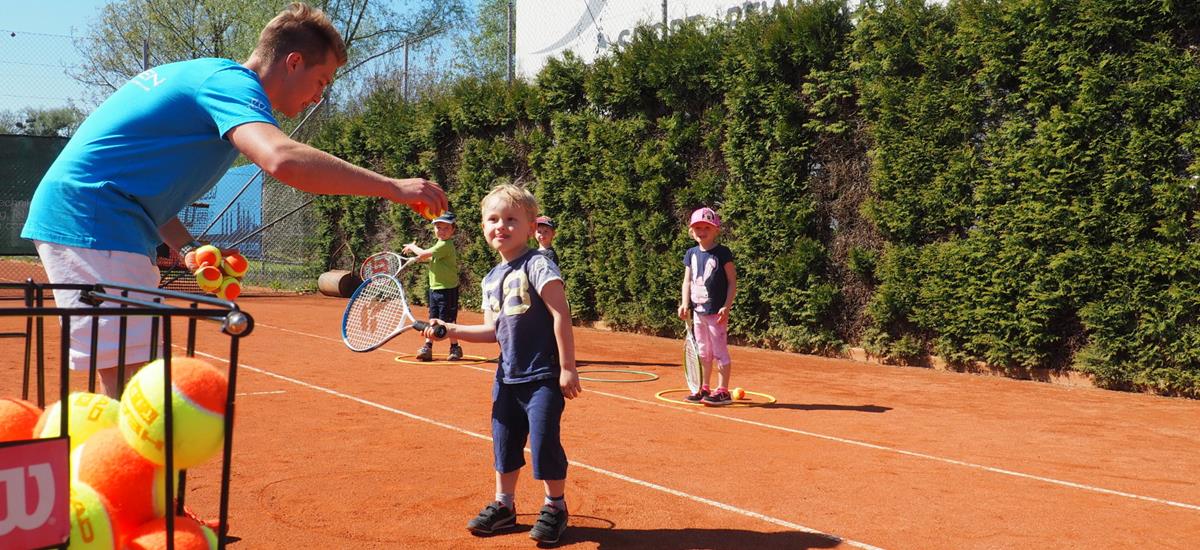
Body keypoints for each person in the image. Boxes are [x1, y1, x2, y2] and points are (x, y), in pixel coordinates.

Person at [20, 2, 447, 399]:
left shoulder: (213, 81)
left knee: (133, 372)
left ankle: (123, 471)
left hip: (103, 215)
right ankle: (119, 474)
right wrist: (392, 186)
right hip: (93, 216)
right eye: (320, 82)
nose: (318, 96)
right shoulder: (231, 84)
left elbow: (140, 186)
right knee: (134, 380)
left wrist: (187, 249)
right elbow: (281, 159)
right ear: (292, 61)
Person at [422, 184, 581, 544]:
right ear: (482, 228)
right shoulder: (491, 278)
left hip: (541, 375)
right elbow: (493, 330)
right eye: (493, 219)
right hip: (506, 375)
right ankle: (505, 505)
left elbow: (561, 314)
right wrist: (451, 330)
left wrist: (568, 367)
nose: (501, 226)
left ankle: (555, 506)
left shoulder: (538, 263)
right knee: (504, 442)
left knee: (543, 443)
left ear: (529, 228)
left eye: (512, 219)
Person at [676, 207, 737, 406]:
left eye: (706, 228)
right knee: (702, 351)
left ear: (716, 229)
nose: (702, 231)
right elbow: (687, 281)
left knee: (719, 351)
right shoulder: (690, 253)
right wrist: (685, 304)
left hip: (716, 314)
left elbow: (732, 282)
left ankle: (723, 391)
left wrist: (726, 306)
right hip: (698, 313)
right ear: (691, 231)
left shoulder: (723, 253)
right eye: (697, 228)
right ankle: (704, 387)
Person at [402, 211, 463, 361]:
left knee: (447, 322)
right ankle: (428, 348)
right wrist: (415, 260)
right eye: (439, 228)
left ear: (453, 229)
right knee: (433, 319)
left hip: (447, 289)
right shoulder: (439, 244)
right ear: (434, 229)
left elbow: (424, 254)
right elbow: (431, 259)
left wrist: (413, 248)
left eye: (446, 228)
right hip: (434, 288)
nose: (442, 231)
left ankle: (455, 348)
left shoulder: (445, 245)